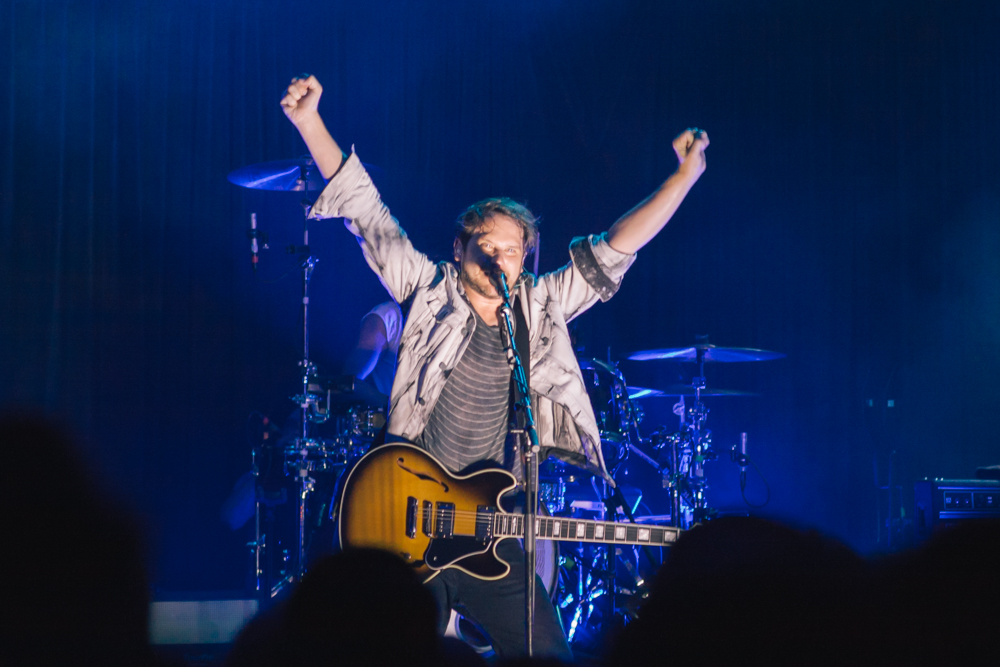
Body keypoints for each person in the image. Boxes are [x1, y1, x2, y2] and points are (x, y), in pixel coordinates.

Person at [279, 74, 709, 660]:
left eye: (508, 250)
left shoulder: (540, 307)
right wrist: (310, 123)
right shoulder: (428, 288)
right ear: (459, 249)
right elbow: (366, 212)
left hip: (491, 529)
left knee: (547, 655)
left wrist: (682, 179)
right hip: (410, 521)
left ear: (525, 258)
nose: (495, 258)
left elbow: (615, 248)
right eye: (482, 244)